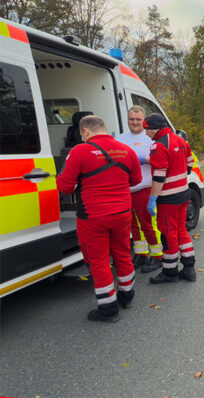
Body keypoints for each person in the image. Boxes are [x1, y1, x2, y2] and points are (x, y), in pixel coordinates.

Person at [57, 115, 142, 322]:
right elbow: (136, 179)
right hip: (122, 213)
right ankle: (127, 296)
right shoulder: (126, 150)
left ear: (85, 131)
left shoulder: (80, 151)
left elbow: (65, 187)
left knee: (99, 261)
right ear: (104, 128)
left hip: (92, 217)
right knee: (122, 253)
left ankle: (108, 309)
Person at [143, 113, 197, 283]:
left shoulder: (158, 146)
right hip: (183, 193)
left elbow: (159, 176)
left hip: (168, 198)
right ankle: (189, 268)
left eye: (147, 129)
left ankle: (169, 271)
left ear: (155, 128)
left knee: (168, 235)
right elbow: (189, 163)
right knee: (181, 231)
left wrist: (153, 198)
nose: (146, 133)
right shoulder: (180, 140)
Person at [116, 105, 163, 273]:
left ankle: (157, 255)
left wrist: (144, 160)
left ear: (143, 121)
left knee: (148, 224)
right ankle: (141, 253)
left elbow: (161, 159)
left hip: (145, 187)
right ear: (127, 120)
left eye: (138, 119)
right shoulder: (121, 139)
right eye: (131, 119)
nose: (135, 122)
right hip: (126, 189)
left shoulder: (150, 137)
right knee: (133, 226)